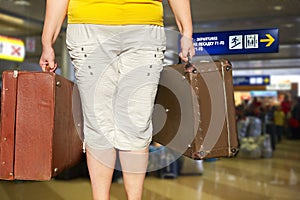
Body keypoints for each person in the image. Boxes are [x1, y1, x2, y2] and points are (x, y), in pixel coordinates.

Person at [39, 0, 195, 199]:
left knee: (137, 124)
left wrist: (187, 32)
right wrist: (47, 41)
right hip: (89, 27)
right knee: (98, 125)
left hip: (145, 26)